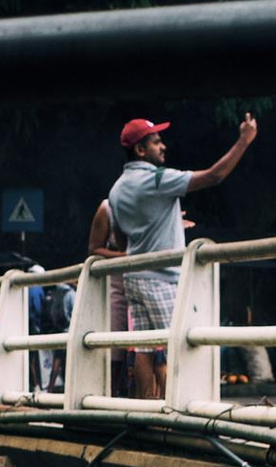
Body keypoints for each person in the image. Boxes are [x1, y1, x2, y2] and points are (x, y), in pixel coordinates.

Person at [102, 111, 259, 397]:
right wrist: (244, 141)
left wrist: (162, 225)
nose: (163, 146)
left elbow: (122, 240)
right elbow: (214, 176)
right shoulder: (157, 180)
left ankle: (147, 408)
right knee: (180, 346)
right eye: (156, 142)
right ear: (140, 150)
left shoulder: (116, 190)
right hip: (162, 278)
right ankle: (179, 409)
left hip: (134, 277)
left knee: (145, 349)